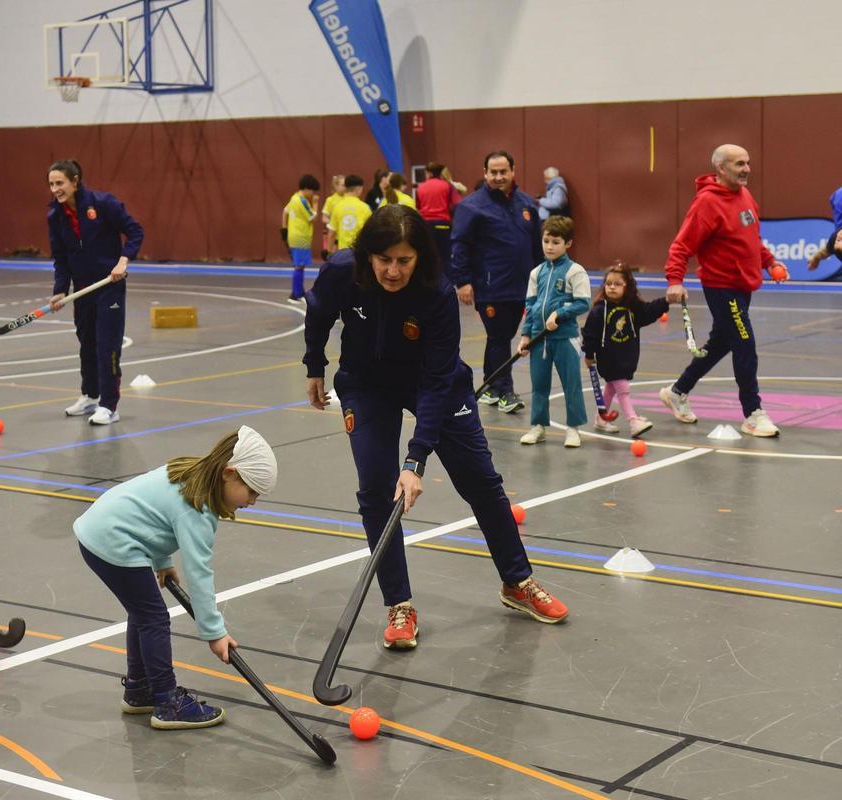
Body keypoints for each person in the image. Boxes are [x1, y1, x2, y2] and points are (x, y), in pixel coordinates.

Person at [304, 205, 569, 650]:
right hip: (367, 386)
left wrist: (416, 459)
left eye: (404, 261)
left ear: (418, 259)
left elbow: (436, 382)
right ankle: (400, 606)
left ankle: (517, 582)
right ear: (368, 254)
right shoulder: (343, 271)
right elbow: (318, 310)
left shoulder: (436, 292)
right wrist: (315, 364)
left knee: (482, 483)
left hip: (435, 385)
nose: (392, 271)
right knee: (375, 492)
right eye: (384, 259)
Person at [76, 426, 277, 730]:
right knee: (153, 617)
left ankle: (139, 689)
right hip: (112, 541)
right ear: (228, 473)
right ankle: (167, 702)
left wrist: (162, 560)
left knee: (143, 612)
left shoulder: (192, 474)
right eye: (251, 491)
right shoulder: (197, 509)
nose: (252, 502)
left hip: (103, 531)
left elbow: (149, 514)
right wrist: (214, 633)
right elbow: (200, 575)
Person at [659, 144, 788, 438]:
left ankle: (677, 391)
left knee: (721, 342)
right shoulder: (706, 204)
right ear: (720, 168)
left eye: (747, 163)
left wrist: (769, 262)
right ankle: (753, 413)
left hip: (743, 285)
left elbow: (752, 237)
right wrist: (674, 280)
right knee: (744, 342)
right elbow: (681, 246)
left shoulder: (744, 195)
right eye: (739, 164)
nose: (746, 169)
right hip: (722, 286)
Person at [47, 159, 144, 426]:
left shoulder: (103, 204)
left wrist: (123, 260)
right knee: (87, 344)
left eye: (60, 183)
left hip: (108, 287)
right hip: (82, 290)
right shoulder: (55, 216)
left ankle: (109, 406)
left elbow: (135, 231)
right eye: (51, 184)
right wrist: (59, 290)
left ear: (75, 181)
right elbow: (61, 257)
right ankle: (91, 395)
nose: (55, 189)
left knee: (107, 346)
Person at [450, 150, 543, 414]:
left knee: (500, 336)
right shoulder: (472, 207)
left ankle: (490, 387)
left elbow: (536, 246)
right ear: (485, 174)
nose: (499, 177)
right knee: (500, 336)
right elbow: (459, 246)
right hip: (490, 287)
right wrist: (463, 282)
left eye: (504, 171)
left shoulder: (527, 205)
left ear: (513, 171)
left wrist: (541, 279)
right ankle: (505, 390)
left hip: (521, 286)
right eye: (494, 172)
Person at [516, 216, 591, 447]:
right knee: (539, 384)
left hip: (565, 338)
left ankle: (573, 429)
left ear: (567, 243)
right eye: (546, 240)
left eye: (555, 242)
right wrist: (526, 335)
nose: (549, 246)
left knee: (571, 384)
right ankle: (538, 426)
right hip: (539, 339)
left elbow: (583, 303)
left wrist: (559, 314)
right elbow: (530, 305)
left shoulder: (575, 271)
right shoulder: (536, 272)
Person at [581, 262, 669, 437]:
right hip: (608, 358)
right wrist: (589, 354)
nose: (612, 287)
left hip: (627, 356)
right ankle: (632, 420)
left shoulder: (632, 307)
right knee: (622, 388)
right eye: (608, 284)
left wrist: (666, 301)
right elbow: (590, 333)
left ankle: (601, 418)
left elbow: (649, 311)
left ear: (626, 286)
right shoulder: (600, 310)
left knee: (612, 388)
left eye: (617, 284)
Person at [416, 161, 464, 271]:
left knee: (427, 257)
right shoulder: (448, 186)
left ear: (430, 173)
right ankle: (447, 286)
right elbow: (457, 204)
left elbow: (418, 207)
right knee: (445, 258)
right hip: (443, 225)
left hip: (426, 226)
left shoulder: (420, 187)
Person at [281, 174, 321, 303]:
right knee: (299, 266)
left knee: (300, 265)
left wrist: (284, 228)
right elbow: (313, 217)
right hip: (300, 236)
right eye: (312, 190)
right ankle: (295, 295)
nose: (313, 193)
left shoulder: (294, 198)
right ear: (306, 188)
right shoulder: (302, 201)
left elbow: (285, 211)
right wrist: (315, 204)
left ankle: (298, 292)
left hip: (293, 235)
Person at [325, 175, 372, 252]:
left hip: (342, 253)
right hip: (359, 253)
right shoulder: (365, 208)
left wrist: (329, 253)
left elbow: (331, 234)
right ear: (359, 189)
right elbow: (370, 233)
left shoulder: (337, 207)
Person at [320, 174, 346, 259]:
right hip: (334, 237)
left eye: (346, 185)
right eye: (342, 185)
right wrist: (333, 223)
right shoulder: (330, 200)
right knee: (334, 260)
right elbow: (324, 218)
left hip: (345, 236)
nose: (345, 187)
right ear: (336, 186)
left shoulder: (348, 199)